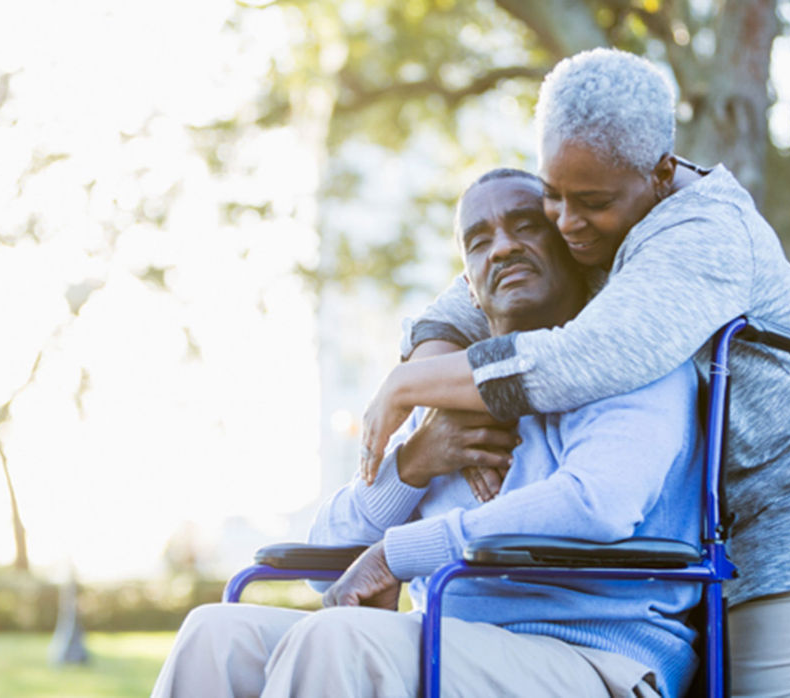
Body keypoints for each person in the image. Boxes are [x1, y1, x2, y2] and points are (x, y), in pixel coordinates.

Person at [360, 49, 790, 697]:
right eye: (553, 196)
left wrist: (405, 388)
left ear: (660, 174)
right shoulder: (589, 220)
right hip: (718, 512)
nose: (567, 224)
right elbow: (455, 308)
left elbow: (582, 361)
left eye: (591, 202)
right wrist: (441, 404)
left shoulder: (701, 234)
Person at [151, 168, 706, 698]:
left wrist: (399, 553)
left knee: (338, 640)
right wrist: (412, 464)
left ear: (570, 244)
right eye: (479, 240)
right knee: (214, 636)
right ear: (469, 287)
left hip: (595, 657)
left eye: (525, 225)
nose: (504, 247)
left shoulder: (632, 358)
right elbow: (324, 564)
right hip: (450, 646)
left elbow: (597, 504)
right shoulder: (446, 390)